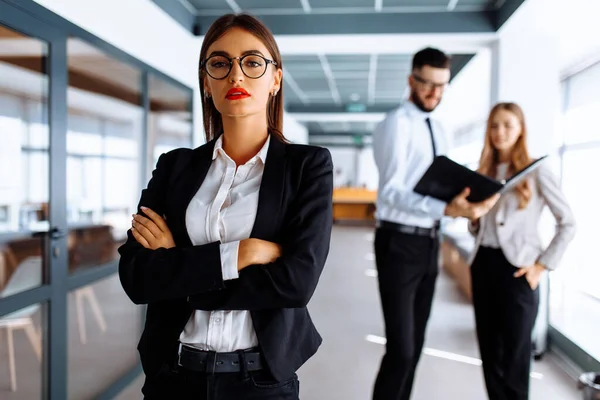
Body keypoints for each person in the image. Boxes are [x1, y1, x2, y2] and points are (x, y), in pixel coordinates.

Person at [118, 13, 333, 400]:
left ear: (275, 79)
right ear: (206, 82)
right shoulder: (175, 166)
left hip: (261, 381)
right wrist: (243, 253)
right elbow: (136, 276)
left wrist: (178, 267)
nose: (236, 76)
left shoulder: (307, 167)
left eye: (252, 62)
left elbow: (296, 284)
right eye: (220, 63)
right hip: (174, 377)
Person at [371, 47, 499, 400]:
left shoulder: (440, 127)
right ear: (412, 80)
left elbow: (438, 184)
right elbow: (392, 192)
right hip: (398, 242)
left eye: (441, 86)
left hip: (430, 241)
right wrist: (447, 210)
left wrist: (465, 203)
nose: (434, 94)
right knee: (401, 349)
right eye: (427, 85)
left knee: (416, 345)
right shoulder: (396, 123)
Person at [468, 102, 576, 400]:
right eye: (494, 125)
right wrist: (474, 218)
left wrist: (541, 266)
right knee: (490, 358)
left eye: (507, 125)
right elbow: (480, 227)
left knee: (515, 360)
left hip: (517, 271)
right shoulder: (483, 173)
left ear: (520, 130)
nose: (500, 132)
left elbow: (568, 223)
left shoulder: (537, 170)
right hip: (483, 267)